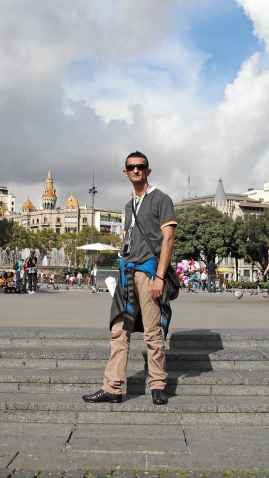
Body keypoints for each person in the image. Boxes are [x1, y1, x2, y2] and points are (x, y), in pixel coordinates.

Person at [83, 151, 177, 407]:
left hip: (149, 273)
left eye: (140, 166)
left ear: (148, 170)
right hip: (126, 275)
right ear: (125, 172)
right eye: (131, 167)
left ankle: (158, 385)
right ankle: (112, 387)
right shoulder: (128, 205)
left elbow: (168, 239)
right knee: (118, 331)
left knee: (152, 333)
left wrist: (159, 277)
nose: (136, 170)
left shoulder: (161, 199)